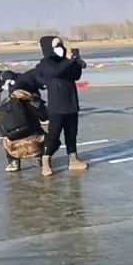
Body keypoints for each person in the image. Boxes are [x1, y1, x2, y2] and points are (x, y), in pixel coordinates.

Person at [36, 35, 88, 176]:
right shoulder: (46, 62)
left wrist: (76, 62)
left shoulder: (65, 61)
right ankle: (46, 160)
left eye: (60, 45)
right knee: (54, 134)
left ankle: (73, 159)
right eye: (56, 45)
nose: (59, 48)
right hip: (57, 105)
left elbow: (76, 76)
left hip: (71, 101)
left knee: (71, 133)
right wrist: (68, 60)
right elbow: (56, 72)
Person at [0, 88, 49, 173]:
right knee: (51, 136)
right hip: (33, 142)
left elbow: (2, 128)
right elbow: (44, 117)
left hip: (13, 147)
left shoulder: (3, 106)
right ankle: (40, 158)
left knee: (6, 137)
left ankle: (13, 162)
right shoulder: (29, 104)